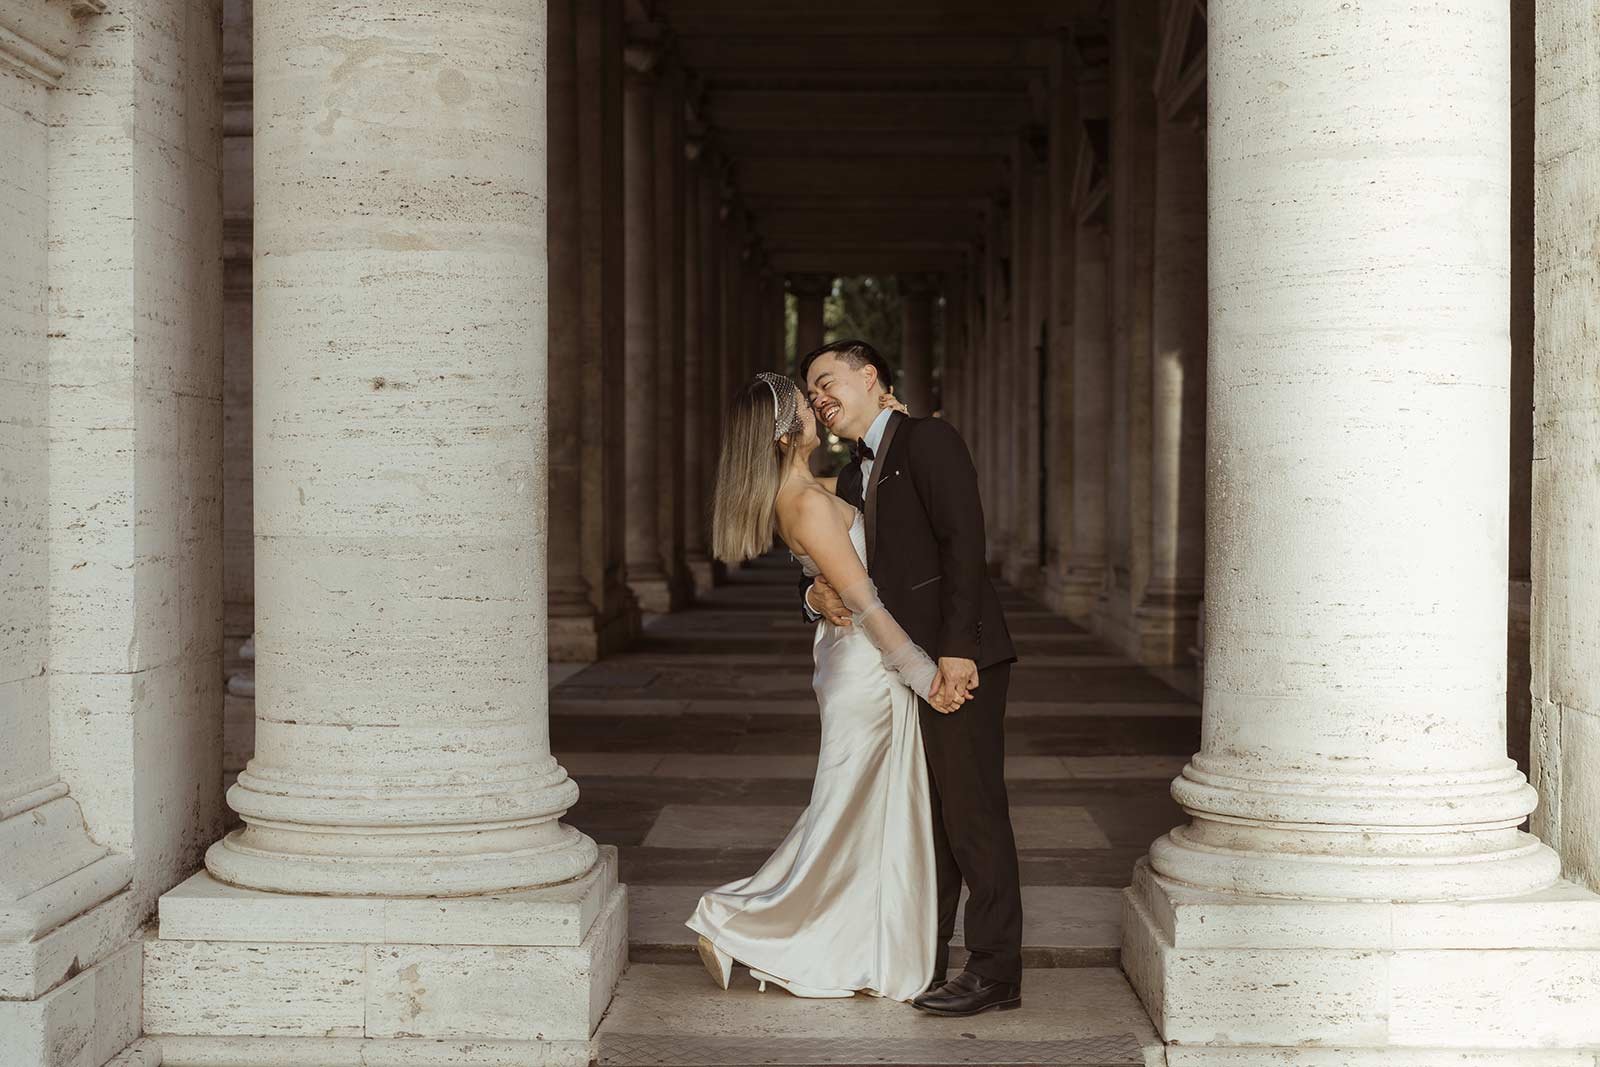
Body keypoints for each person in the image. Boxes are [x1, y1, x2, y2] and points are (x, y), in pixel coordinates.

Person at [685, 370, 965, 1004]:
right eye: (804, 404)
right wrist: (923, 675)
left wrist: (894, 420)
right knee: (849, 811)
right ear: (787, 432)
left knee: (858, 811)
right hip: (869, 668)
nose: (816, 408)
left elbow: (887, 511)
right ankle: (750, 925)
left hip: (855, 664)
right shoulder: (805, 501)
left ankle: (836, 935)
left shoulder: (808, 490)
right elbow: (864, 601)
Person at [800, 339, 1021, 1018]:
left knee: (973, 813)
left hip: (957, 660)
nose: (820, 399)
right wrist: (812, 596)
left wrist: (958, 651)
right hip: (905, 668)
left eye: (829, 382)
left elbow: (964, 541)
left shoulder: (930, 439)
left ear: (872, 378)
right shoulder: (848, 474)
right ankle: (928, 958)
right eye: (811, 393)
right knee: (930, 819)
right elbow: (833, 566)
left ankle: (995, 970)